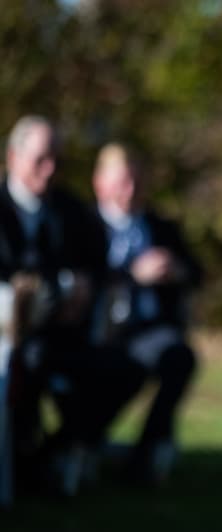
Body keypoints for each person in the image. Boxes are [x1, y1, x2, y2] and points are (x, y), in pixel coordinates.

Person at [0, 115, 108, 496]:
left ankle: (58, 454)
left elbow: (96, 265)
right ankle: (23, 461)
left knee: (110, 369)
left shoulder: (70, 210)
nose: (50, 170)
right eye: (40, 159)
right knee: (28, 366)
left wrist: (84, 287)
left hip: (64, 334)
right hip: (9, 341)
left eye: (57, 161)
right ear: (13, 157)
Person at [89, 142, 201, 485]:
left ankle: (147, 451)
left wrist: (175, 270)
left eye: (136, 181)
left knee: (177, 356)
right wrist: (132, 277)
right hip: (97, 332)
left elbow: (197, 272)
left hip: (151, 331)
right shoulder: (85, 225)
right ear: (99, 182)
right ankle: (77, 442)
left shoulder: (159, 225)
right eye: (122, 181)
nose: (131, 190)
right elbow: (83, 277)